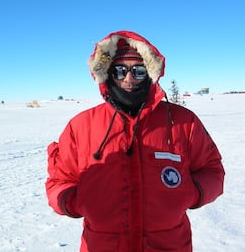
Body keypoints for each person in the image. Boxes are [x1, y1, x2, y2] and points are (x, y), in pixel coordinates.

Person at [45, 30, 225, 251]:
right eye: (119, 71)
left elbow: (212, 170)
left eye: (138, 71)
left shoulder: (183, 122)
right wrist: (76, 202)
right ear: (107, 74)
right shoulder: (81, 126)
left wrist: (191, 193)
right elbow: (58, 181)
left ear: (150, 73)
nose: (128, 78)